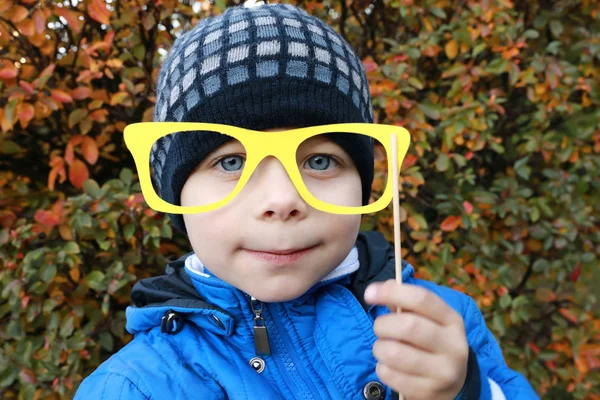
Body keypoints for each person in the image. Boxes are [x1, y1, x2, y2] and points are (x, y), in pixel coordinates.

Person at [74, 2, 539, 399]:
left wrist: (465, 390)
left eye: (319, 161)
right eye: (231, 162)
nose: (282, 200)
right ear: (177, 194)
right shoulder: (136, 387)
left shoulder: (439, 328)